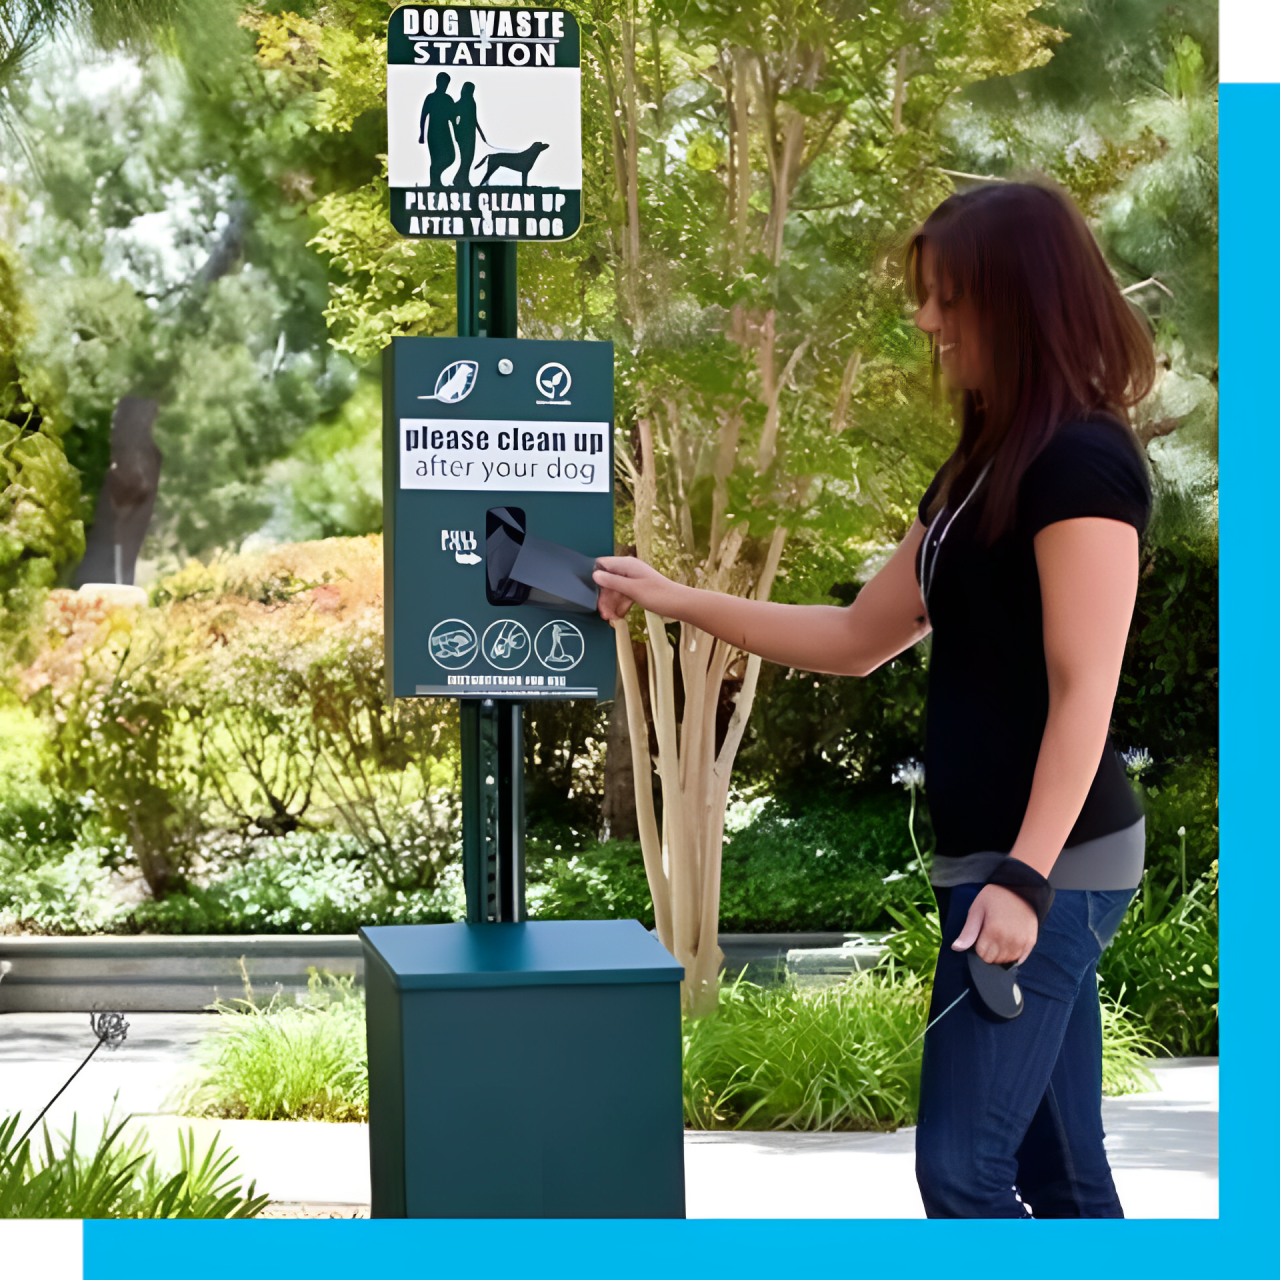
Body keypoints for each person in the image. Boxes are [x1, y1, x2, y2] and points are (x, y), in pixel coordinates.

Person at [592, 180, 1155, 1219]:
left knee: (961, 1168)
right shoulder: (978, 468)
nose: (927, 321)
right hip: (992, 859)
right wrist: (672, 596)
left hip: (1051, 861)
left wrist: (1024, 879)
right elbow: (859, 636)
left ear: (1017, 299)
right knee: (1058, 1173)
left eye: (949, 298)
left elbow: (1084, 690)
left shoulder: (1079, 461)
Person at [419, 73, 457, 187]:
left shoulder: (448, 99)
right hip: (434, 133)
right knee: (436, 159)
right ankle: (435, 183)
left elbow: (453, 118)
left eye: (446, 84)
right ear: (438, 82)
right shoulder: (430, 98)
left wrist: (459, 133)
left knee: (450, 156)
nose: (445, 86)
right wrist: (422, 134)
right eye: (443, 83)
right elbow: (423, 116)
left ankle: (436, 180)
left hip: (445, 133)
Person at [452, 82, 488, 189]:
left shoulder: (472, 102)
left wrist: (481, 134)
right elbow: (454, 118)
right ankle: (459, 179)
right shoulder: (461, 103)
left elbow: (474, 119)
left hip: (471, 134)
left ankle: (462, 179)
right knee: (466, 158)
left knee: (469, 158)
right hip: (463, 134)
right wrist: (457, 131)